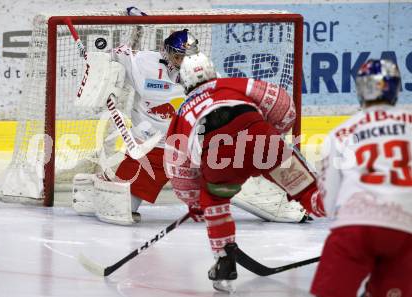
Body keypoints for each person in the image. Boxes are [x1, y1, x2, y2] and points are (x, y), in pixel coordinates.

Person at [72, 27, 309, 225]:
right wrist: (100, 71)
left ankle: (294, 202)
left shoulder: (206, 73)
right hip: (153, 149)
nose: (183, 61)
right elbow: (106, 59)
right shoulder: (142, 62)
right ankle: (96, 188)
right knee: (118, 208)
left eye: (189, 55)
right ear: (166, 52)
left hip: (196, 148)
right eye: (178, 56)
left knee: (247, 182)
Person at [164, 52, 325, 291]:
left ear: (185, 82)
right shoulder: (233, 84)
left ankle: (224, 261)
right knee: (308, 191)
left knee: (214, 198)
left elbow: (178, 167)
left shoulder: (183, 112)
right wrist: (271, 138)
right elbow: (284, 106)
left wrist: (195, 202)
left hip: (219, 157)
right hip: (260, 137)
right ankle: (355, 220)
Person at [310, 59, 412, 297]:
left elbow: (329, 200)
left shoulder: (341, 132)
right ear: (395, 88)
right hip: (405, 227)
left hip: (355, 227)